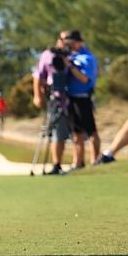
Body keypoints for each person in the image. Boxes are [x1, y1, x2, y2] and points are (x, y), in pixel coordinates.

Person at [32, 39, 73, 175]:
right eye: (63, 40)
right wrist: (37, 95)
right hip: (54, 98)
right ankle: (56, 165)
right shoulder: (47, 55)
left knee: (67, 133)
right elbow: (38, 76)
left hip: (71, 99)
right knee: (56, 130)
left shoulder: (72, 55)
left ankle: (64, 164)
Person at [62, 30, 100, 166]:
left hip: (83, 98)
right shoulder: (69, 56)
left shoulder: (87, 58)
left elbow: (84, 79)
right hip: (70, 98)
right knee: (76, 133)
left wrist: (70, 66)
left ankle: (95, 160)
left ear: (78, 43)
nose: (69, 46)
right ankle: (78, 162)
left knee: (91, 131)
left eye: (71, 43)